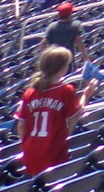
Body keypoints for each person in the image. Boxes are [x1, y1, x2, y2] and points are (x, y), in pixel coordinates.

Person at [14, 46, 95, 176]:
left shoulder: (29, 92)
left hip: (31, 150)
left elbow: (21, 125)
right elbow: (74, 117)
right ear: (62, 68)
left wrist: (26, 146)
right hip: (54, 149)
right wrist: (86, 95)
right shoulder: (66, 90)